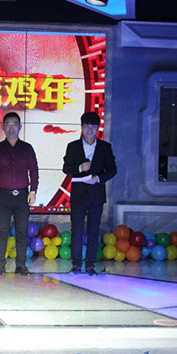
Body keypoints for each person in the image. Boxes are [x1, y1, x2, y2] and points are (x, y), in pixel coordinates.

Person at [62, 111, 117, 275]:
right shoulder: (73, 146)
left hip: (96, 195)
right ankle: (76, 264)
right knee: (77, 230)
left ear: (98, 128)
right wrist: (80, 168)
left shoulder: (105, 147)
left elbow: (113, 170)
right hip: (78, 195)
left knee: (93, 231)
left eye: (93, 126)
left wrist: (98, 178)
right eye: (86, 126)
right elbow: (66, 168)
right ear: (81, 127)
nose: (90, 130)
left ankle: (90, 265)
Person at [0, 112, 39, 276]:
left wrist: (33, 190)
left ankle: (21, 265)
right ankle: (0, 265)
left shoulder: (27, 148)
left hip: (23, 196)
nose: (11, 128)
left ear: (20, 126)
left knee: (22, 231)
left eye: (14, 124)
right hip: (3, 196)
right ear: (3, 127)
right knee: (2, 231)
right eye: (8, 124)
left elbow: (34, 170)